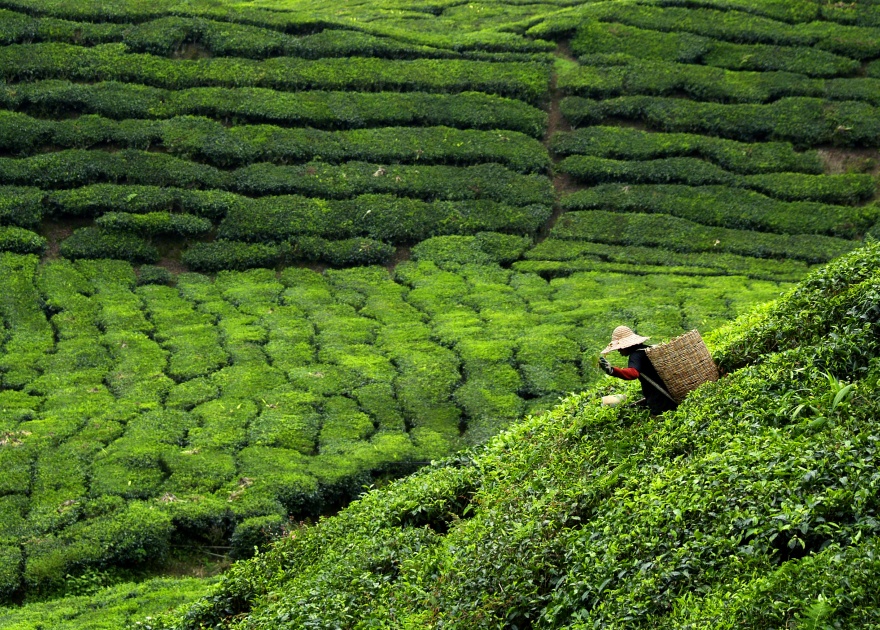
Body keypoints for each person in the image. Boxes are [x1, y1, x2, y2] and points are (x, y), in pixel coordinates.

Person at [598, 326, 677, 415]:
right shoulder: (647, 349)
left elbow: (633, 373)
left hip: (660, 402)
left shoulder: (635, 355)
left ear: (626, 346)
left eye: (619, 347)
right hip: (669, 396)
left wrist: (612, 370)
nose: (618, 350)